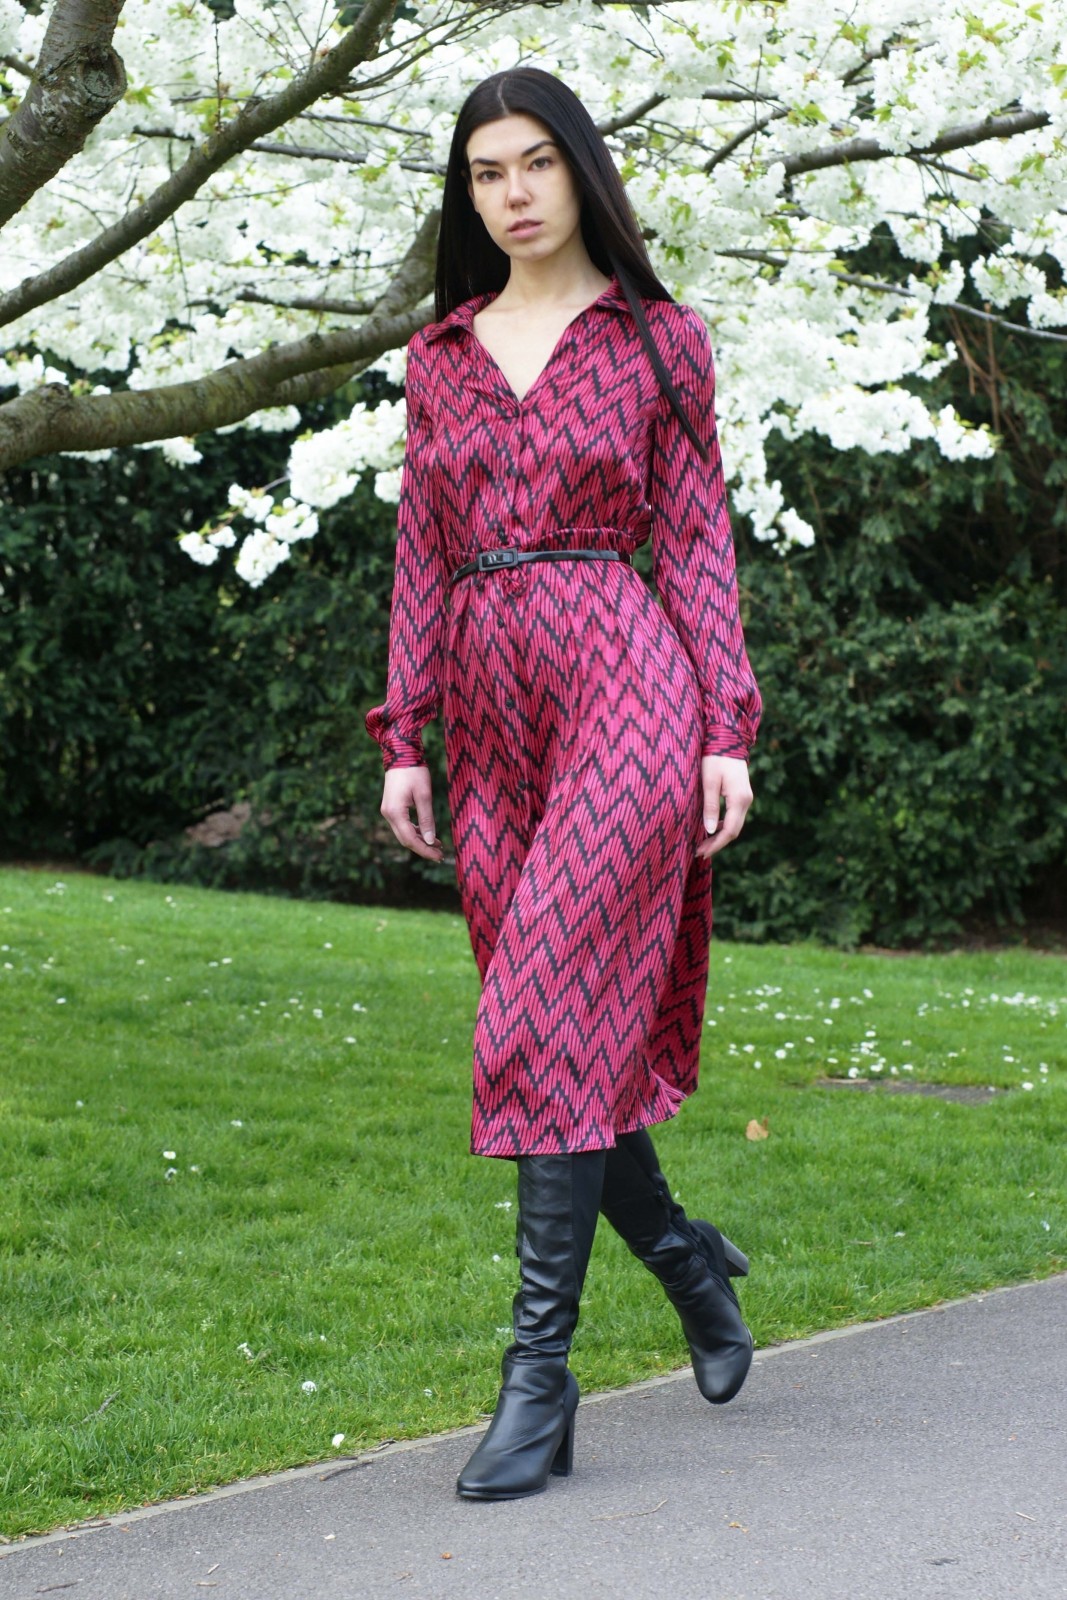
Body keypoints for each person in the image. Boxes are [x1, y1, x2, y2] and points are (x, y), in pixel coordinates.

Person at [365, 66, 762, 1502]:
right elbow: (420, 548)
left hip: (625, 681)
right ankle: (686, 1260)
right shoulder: (442, 356)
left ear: (582, 172)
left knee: (538, 1010)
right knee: (564, 1037)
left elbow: (700, 541)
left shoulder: (663, 343)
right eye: (486, 172)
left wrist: (727, 727)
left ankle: (539, 1379)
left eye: (537, 162)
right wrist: (403, 732)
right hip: (487, 702)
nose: (514, 192)